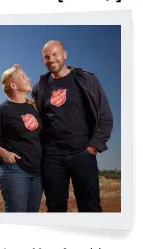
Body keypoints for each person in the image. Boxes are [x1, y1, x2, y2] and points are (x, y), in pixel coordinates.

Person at [31, 40, 113, 212]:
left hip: (82, 154)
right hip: (52, 158)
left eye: (55, 54)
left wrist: (93, 147)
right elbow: (35, 119)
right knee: (55, 209)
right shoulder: (40, 87)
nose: (51, 59)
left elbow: (105, 114)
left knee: (90, 208)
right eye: (47, 57)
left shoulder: (86, 79)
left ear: (65, 55)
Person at [0, 64, 43, 212]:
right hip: (15, 171)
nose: (28, 78)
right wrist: (4, 153)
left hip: (37, 171)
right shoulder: (2, 111)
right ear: (14, 85)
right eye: (23, 77)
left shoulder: (34, 107)